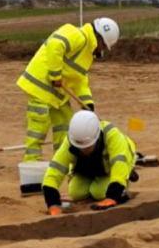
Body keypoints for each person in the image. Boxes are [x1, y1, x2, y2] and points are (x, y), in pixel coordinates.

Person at [17, 17, 120, 162]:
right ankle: (31, 161)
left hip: (57, 94)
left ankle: (61, 160)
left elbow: (80, 80)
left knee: (65, 123)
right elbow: (55, 44)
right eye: (104, 46)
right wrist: (55, 75)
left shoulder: (87, 54)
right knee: (39, 125)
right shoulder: (77, 35)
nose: (102, 50)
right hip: (40, 86)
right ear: (100, 39)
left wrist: (87, 103)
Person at [42, 110, 137, 216]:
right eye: (81, 147)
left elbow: (119, 164)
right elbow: (54, 171)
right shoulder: (71, 141)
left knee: (99, 192)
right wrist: (53, 204)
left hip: (113, 165)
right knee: (76, 193)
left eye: (88, 146)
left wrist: (112, 198)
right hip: (91, 167)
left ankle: (126, 182)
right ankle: (94, 185)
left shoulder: (112, 135)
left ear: (96, 138)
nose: (84, 150)